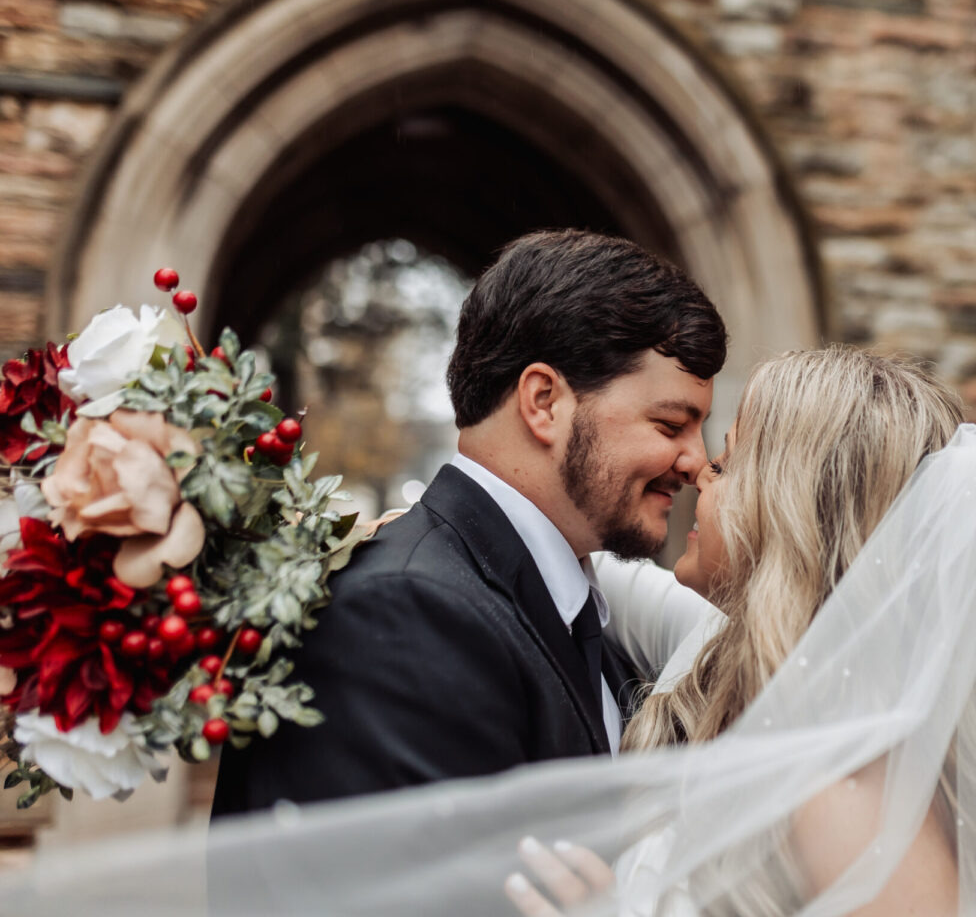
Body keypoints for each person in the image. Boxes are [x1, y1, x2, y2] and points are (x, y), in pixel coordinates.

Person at [6, 347, 976, 917]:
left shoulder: (849, 782)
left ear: (797, 513)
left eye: (729, 459)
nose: (699, 469)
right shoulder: (730, 661)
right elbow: (552, 556)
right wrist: (241, 518)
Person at [211, 230, 726, 816]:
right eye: (669, 425)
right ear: (543, 402)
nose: (696, 463)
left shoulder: (566, 607)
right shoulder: (404, 615)